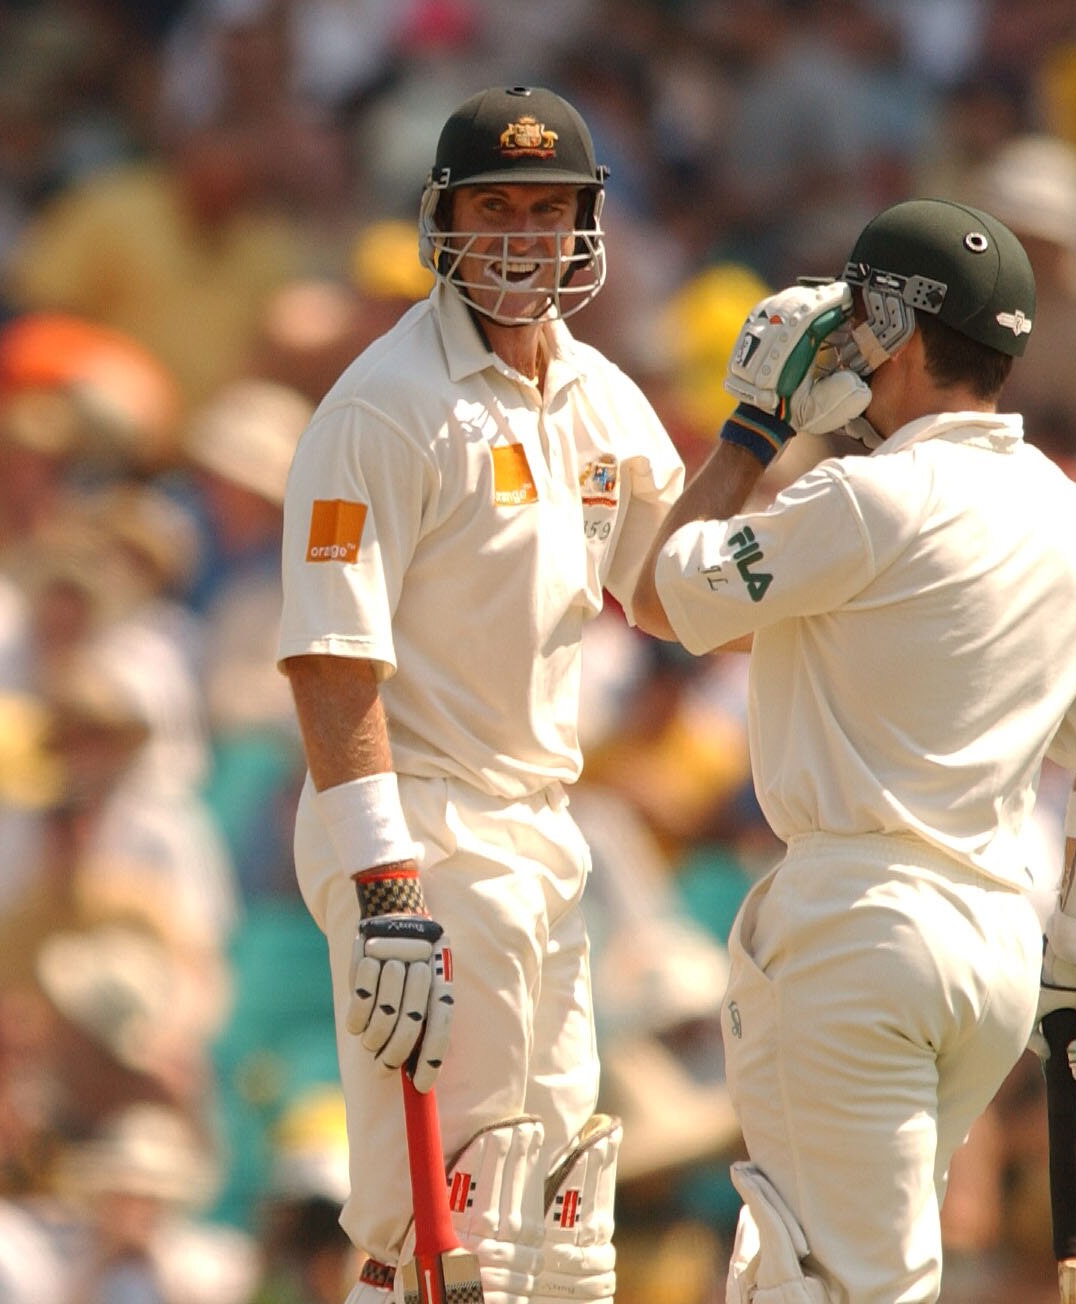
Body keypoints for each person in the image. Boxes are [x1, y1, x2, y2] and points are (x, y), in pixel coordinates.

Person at [630, 198, 1076, 1303]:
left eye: (861, 319)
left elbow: (661, 594)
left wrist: (755, 424)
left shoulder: (864, 498)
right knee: (834, 1269)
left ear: (901, 335)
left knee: (838, 1284)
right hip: (993, 951)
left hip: (861, 927)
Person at [278, 86, 686, 1303]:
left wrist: (763, 435)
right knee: (445, 1217)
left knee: (554, 1212)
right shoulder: (385, 405)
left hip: (540, 833)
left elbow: (675, 592)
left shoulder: (598, 394)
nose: (519, 237)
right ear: (443, 221)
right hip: (423, 824)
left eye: (545, 211)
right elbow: (332, 657)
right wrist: (388, 888)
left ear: (584, 225)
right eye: (494, 208)